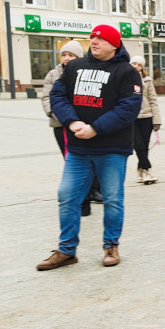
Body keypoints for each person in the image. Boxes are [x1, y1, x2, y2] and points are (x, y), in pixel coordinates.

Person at [37, 25, 141, 270]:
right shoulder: (74, 67)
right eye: (93, 37)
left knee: (113, 199)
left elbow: (128, 109)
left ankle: (111, 246)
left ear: (114, 44)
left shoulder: (127, 72)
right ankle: (67, 250)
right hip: (78, 149)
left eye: (100, 38)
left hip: (112, 149)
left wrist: (95, 128)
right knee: (67, 196)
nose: (94, 41)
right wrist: (72, 121)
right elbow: (57, 96)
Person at [42, 40, 96, 217]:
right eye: (64, 55)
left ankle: (86, 200)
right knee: (71, 162)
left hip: (83, 125)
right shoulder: (53, 74)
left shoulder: (86, 72)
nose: (66, 58)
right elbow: (47, 98)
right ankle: (77, 200)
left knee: (85, 163)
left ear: (78, 57)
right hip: (61, 125)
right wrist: (61, 116)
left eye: (71, 55)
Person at [129, 55, 161, 185]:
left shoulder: (147, 81)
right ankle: (147, 170)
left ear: (142, 67)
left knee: (144, 146)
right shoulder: (125, 79)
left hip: (147, 117)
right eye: (134, 64)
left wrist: (157, 119)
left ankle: (141, 170)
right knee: (139, 146)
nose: (136, 66)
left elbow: (153, 100)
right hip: (131, 118)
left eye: (139, 64)